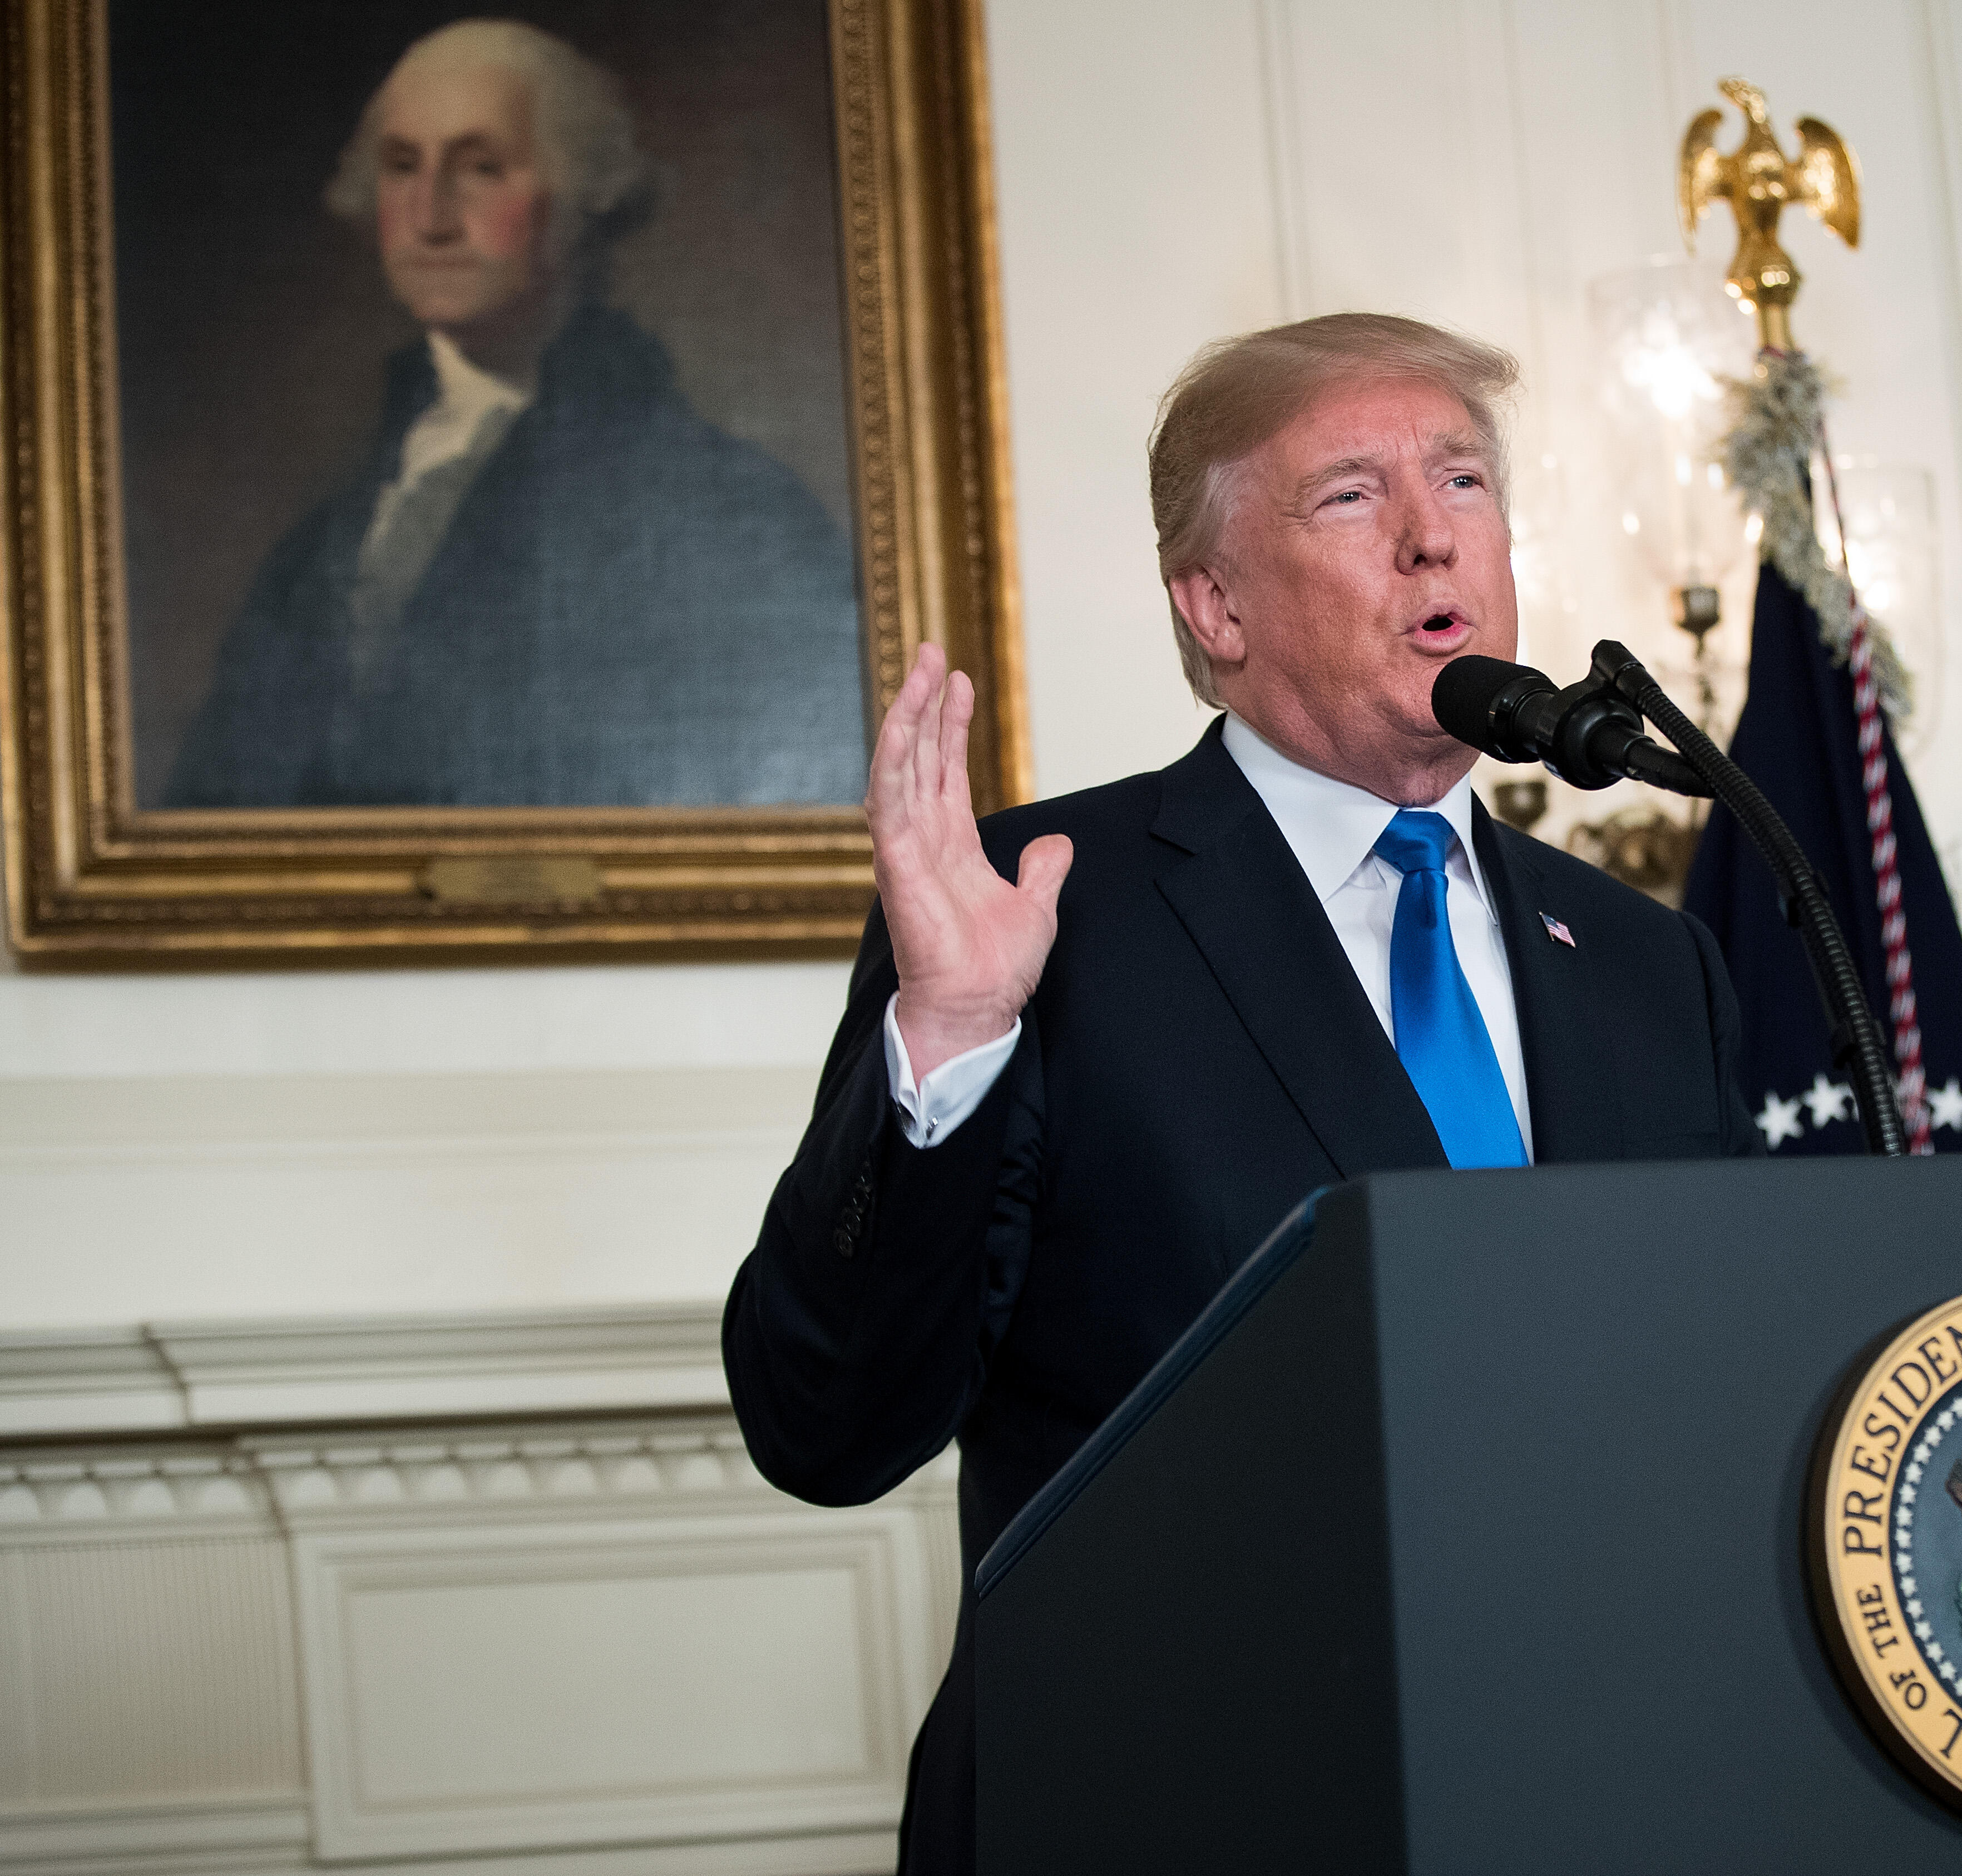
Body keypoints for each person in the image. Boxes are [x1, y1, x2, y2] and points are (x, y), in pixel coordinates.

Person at [724, 313, 1763, 1873]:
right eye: (1351, 497)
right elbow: (827, 1424)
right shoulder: (1041, 915)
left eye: (1463, 480)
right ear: (1214, 603)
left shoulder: (1641, 961)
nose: (1432, 538)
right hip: (1176, 1796)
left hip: (1594, 1782)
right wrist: (946, 1033)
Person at [165, 19, 864, 809]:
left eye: (481, 169)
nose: (429, 215)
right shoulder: (329, 533)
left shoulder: (730, 511)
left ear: (577, 199)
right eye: (401, 167)